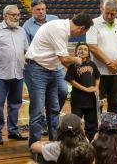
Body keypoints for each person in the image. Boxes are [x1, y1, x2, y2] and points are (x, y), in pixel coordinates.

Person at [24, 11, 93, 149]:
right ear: (82, 28)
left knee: (54, 109)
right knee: (37, 110)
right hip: (37, 69)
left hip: (50, 70)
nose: (80, 35)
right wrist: (78, 60)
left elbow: (62, 60)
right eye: (83, 33)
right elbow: (65, 59)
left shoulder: (61, 27)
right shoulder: (60, 29)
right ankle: (34, 146)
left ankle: (55, 144)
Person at [23, 0, 68, 136]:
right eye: (38, 9)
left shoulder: (55, 19)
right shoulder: (27, 26)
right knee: (38, 102)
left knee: (63, 91)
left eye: (43, 9)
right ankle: (43, 122)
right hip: (38, 68)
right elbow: (28, 48)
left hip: (56, 66)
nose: (41, 12)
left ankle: (50, 119)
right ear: (32, 10)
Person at [0, 5, 28, 145]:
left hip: (18, 73)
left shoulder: (22, 31)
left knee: (15, 104)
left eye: (18, 14)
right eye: (13, 15)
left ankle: (13, 130)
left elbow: (25, 51)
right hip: (0, 74)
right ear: (5, 16)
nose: (17, 17)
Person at [86, 0, 117, 131]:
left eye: (113, 14)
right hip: (98, 72)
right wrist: (109, 62)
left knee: (115, 102)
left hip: (116, 72)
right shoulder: (93, 24)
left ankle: (114, 126)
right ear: (102, 9)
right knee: (96, 102)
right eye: (107, 13)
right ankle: (95, 127)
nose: (110, 16)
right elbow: (92, 47)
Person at [65, 42, 100, 141]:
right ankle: (77, 143)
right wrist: (86, 89)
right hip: (78, 101)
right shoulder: (73, 65)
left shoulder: (92, 64)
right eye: (80, 49)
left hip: (91, 100)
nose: (82, 51)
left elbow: (97, 77)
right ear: (76, 52)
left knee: (92, 126)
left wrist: (96, 87)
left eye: (85, 49)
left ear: (88, 53)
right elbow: (71, 81)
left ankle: (91, 143)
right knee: (75, 125)